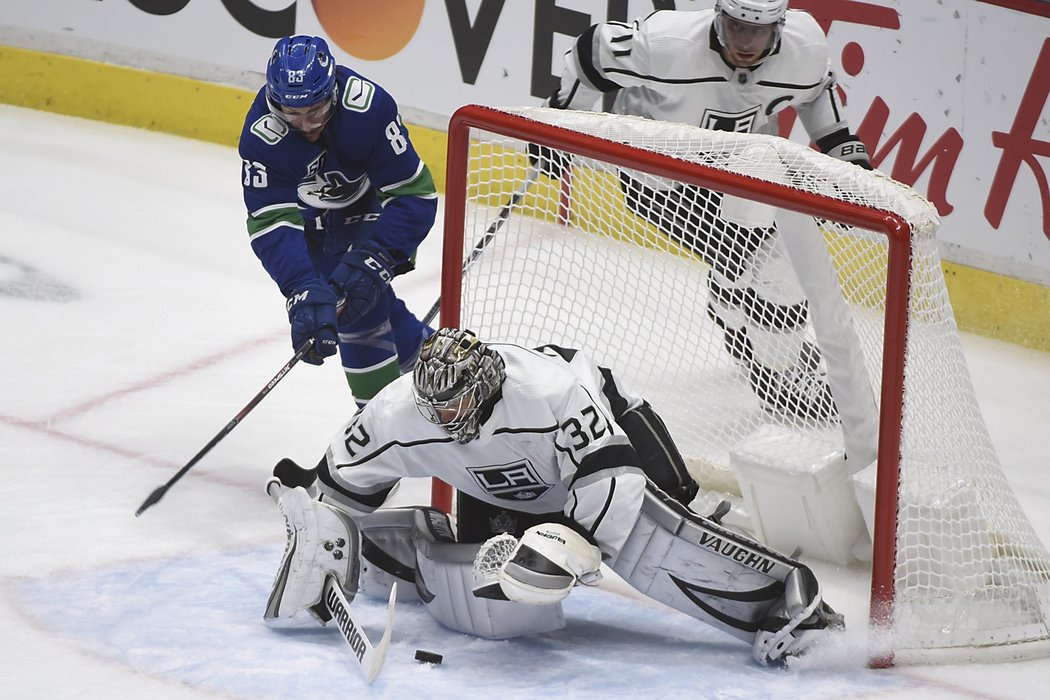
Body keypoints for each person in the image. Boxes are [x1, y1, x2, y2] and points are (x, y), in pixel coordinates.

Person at [263, 328, 843, 665]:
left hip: (613, 429)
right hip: (510, 484)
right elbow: (338, 486)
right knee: (488, 594)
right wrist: (322, 536)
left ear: (487, 385)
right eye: (433, 407)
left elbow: (613, 488)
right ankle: (425, 543)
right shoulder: (394, 412)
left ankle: (787, 604)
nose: (442, 418)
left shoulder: (551, 393)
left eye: (455, 403)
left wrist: (571, 545)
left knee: (662, 530)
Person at [536, 0, 872, 421]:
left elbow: (815, 91)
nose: (746, 42)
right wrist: (560, 121)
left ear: (780, 27)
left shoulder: (803, 48)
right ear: (718, 17)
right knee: (776, 270)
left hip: (737, 175)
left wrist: (840, 143)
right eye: (735, 27)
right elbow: (591, 52)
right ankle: (781, 380)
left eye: (759, 31)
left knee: (766, 253)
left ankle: (731, 309)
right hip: (660, 182)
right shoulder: (668, 44)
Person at [238, 35, 437, 406]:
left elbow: (414, 194)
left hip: (362, 204)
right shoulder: (261, 137)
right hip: (309, 218)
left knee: (355, 301)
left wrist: (380, 254)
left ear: (333, 91)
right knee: (354, 295)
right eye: (290, 114)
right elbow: (270, 223)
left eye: (315, 111)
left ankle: (379, 433)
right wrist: (301, 286)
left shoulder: (368, 108)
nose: (305, 125)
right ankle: (431, 362)